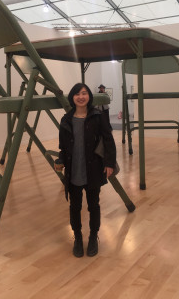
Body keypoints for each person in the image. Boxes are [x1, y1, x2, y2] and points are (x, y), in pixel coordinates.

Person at [55, 83, 116, 258]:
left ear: (89, 96)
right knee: (74, 206)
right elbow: (63, 146)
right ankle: (78, 238)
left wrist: (109, 163)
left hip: (93, 169)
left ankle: (93, 237)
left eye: (84, 93)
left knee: (93, 205)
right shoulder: (66, 120)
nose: (81, 97)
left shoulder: (98, 116)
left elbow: (108, 140)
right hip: (73, 170)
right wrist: (60, 160)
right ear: (72, 98)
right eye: (77, 94)